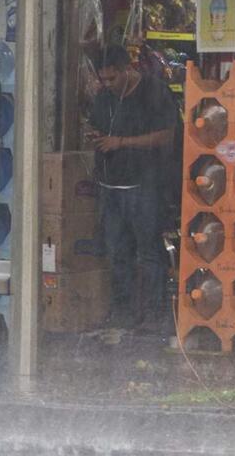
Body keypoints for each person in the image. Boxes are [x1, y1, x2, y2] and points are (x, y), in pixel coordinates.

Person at [88, 45, 178, 330]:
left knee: (149, 250)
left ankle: (154, 314)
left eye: (112, 78)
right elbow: (95, 126)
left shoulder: (154, 92)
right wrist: (96, 137)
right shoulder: (103, 98)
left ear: (128, 68)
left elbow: (167, 135)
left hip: (144, 184)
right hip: (110, 184)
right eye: (103, 80)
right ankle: (122, 310)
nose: (108, 85)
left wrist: (123, 142)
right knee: (117, 251)